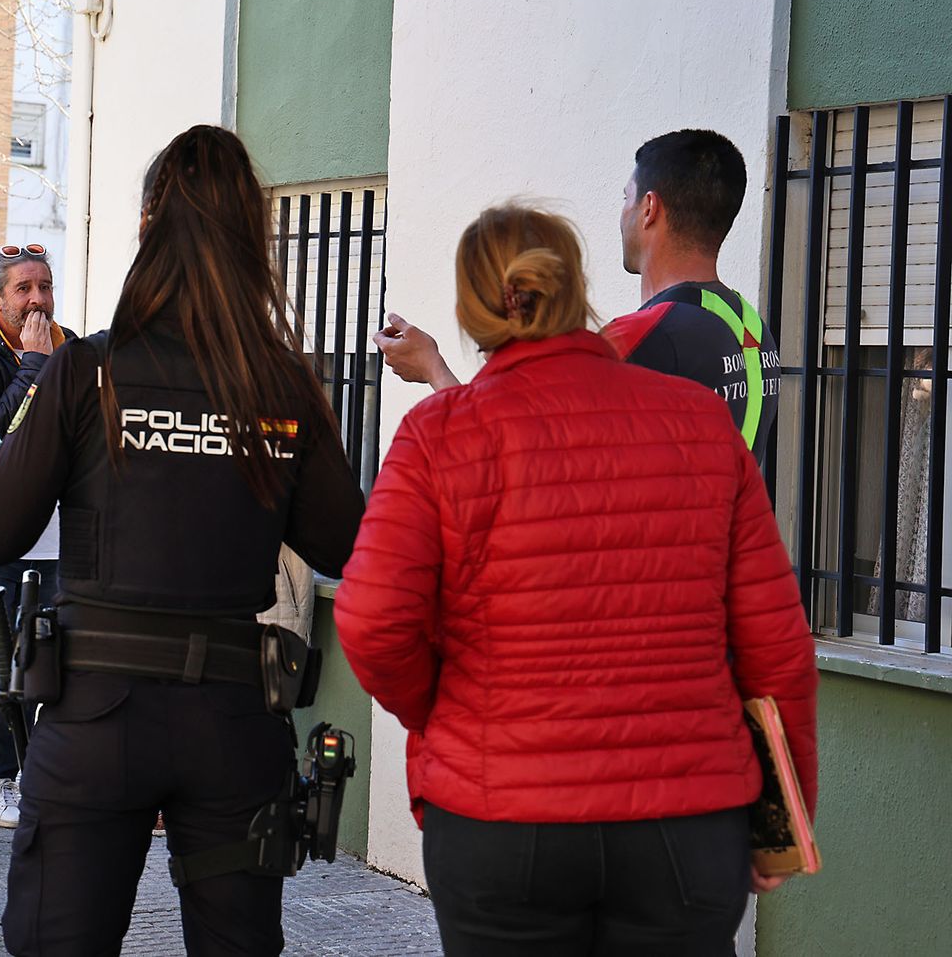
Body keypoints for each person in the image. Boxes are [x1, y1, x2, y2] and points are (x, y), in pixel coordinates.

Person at [334, 205, 819, 955]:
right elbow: (776, 645)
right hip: (686, 826)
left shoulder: (439, 433)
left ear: (470, 310)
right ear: (576, 289)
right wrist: (784, 816)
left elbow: (370, 619)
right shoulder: (700, 423)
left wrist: (444, 709)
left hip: (502, 822)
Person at [0, 125, 367, 957]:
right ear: (250, 235)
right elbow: (340, 539)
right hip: (233, 715)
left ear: (147, 224)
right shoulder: (282, 381)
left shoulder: (90, 370)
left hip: (96, 713)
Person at [378, 130, 779, 464]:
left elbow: (506, 449)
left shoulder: (642, 336)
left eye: (626, 198)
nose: (621, 214)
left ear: (649, 209)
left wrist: (431, 367)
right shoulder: (751, 327)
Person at [0, 242, 75, 835]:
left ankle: (1, 777)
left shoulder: (63, 342)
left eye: (45, 287)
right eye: (24, 289)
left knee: (32, 663)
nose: (37, 300)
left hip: (53, 533)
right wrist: (32, 366)